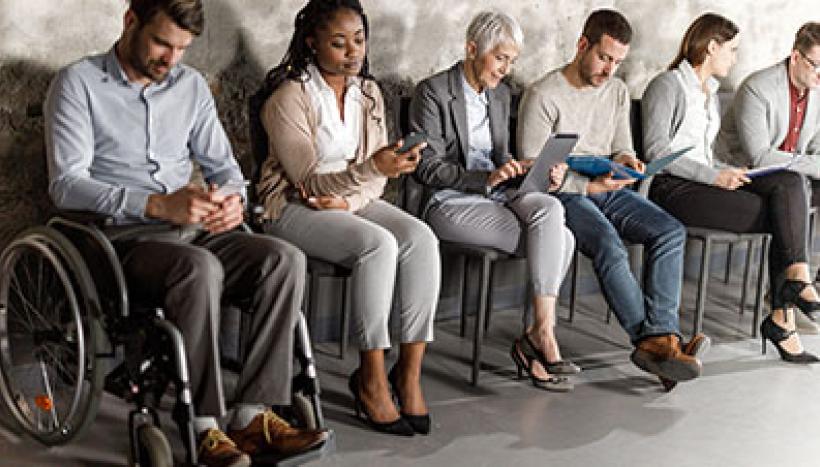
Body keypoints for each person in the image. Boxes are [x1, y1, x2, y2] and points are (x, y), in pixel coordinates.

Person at [44, 1, 327, 465]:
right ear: (130, 21)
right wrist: (154, 204)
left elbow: (225, 170)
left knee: (284, 259)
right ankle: (203, 424)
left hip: (194, 228)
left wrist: (231, 201)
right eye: (161, 44)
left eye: (181, 49)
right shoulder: (78, 83)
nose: (170, 59)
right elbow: (66, 185)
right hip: (123, 241)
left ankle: (251, 415)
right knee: (199, 268)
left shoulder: (190, 86)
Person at [255, 0, 440, 436]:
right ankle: (371, 379)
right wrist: (371, 172)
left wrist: (354, 198)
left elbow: (377, 179)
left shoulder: (369, 94)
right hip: (291, 207)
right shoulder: (288, 99)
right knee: (378, 245)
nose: (352, 51)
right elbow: (307, 182)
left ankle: (408, 375)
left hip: (348, 202)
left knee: (421, 238)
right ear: (311, 43)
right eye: (339, 43)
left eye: (359, 40)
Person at [517, 9, 706, 389]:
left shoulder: (616, 91)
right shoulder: (543, 94)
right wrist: (587, 187)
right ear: (582, 45)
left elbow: (622, 146)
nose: (609, 70)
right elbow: (533, 171)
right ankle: (653, 345)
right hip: (564, 194)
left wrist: (627, 162)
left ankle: (663, 335)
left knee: (670, 231)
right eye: (604, 58)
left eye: (617, 62)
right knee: (608, 243)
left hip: (607, 185)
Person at [409, 11, 577, 392]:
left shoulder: (500, 95)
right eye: (500, 58)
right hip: (450, 201)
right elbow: (427, 167)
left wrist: (531, 170)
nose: (506, 69)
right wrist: (484, 179)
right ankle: (537, 342)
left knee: (551, 207)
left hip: (498, 195)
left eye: (511, 61)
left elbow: (501, 157)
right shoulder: (433, 92)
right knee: (562, 240)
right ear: (472, 49)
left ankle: (540, 333)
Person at [644, 13, 819, 364]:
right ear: (712, 47)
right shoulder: (667, 85)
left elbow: (706, 154)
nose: (736, 59)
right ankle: (786, 306)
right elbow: (656, 153)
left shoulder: (708, 92)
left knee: (789, 188)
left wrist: (724, 172)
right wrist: (714, 176)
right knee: (785, 212)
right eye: (733, 50)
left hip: (705, 181)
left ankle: (791, 290)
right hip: (671, 187)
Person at [715, 22, 820, 324]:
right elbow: (759, 156)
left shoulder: (816, 91)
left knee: (794, 184)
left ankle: (805, 288)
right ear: (796, 57)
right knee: (791, 187)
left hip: (788, 178)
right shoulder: (757, 87)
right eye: (816, 65)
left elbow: (815, 147)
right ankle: (786, 298)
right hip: (740, 173)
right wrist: (812, 164)